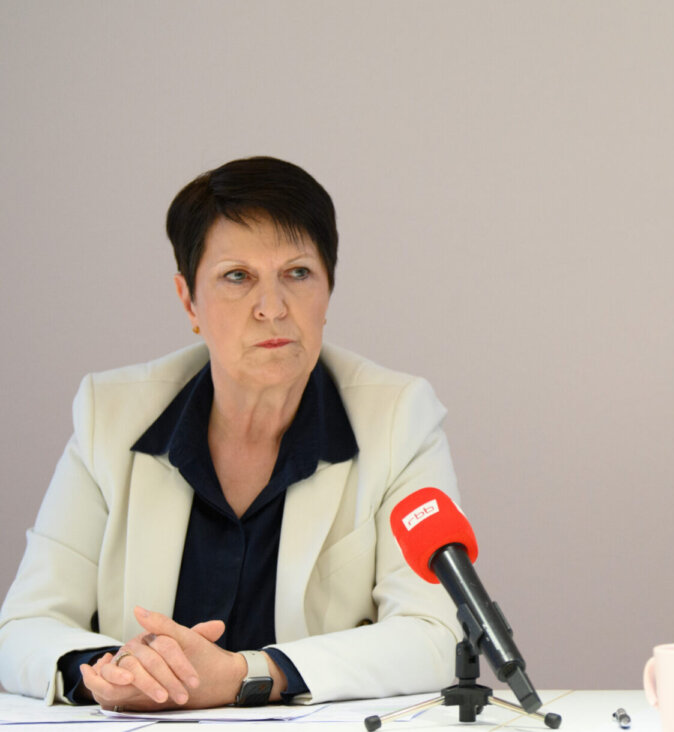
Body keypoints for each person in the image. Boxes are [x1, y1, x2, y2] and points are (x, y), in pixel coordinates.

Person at [0, 157, 462, 708]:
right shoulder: (113, 416)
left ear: (328, 291)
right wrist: (114, 670)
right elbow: (24, 626)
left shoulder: (397, 417)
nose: (272, 308)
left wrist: (252, 674)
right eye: (237, 277)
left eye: (297, 273)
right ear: (188, 300)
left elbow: (435, 636)